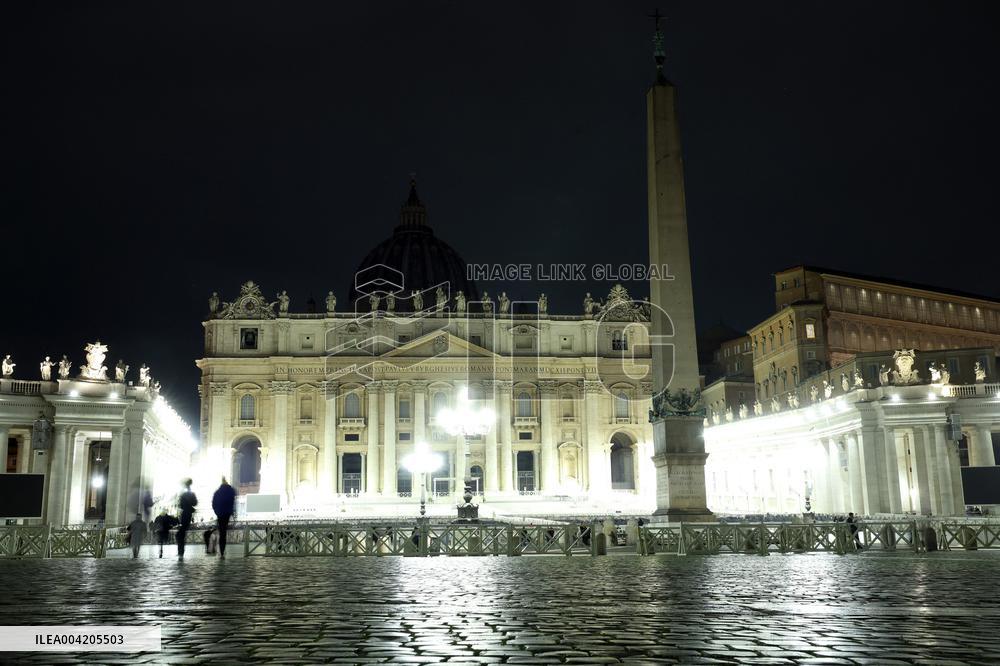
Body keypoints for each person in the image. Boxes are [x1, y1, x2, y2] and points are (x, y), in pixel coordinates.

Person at [211, 477, 236, 559]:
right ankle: (222, 551)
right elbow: (233, 502)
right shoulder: (231, 491)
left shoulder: (217, 492)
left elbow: (213, 504)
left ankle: (221, 552)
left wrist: (217, 512)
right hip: (227, 514)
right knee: (223, 532)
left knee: (222, 532)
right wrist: (232, 512)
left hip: (220, 514)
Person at [177, 478, 198, 560]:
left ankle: (181, 551)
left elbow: (181, 505)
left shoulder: (184, 494)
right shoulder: (191, 493)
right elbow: (195, 503)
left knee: (180, 533)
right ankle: (181, 551)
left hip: (185, 514)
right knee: (181, 533)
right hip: (188, 514)